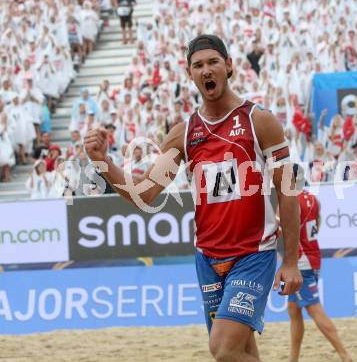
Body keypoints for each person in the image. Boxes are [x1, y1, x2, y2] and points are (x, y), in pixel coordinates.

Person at [84, 34, 303, 362]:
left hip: (253, 254)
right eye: (198, 65)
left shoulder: (260, 121)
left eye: (213, 62)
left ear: (228, 67)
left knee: (223, 350)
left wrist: (290, 261)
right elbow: (145, 192)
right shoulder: (184, 132)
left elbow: (288, 190)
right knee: (242, 353)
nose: (206, 70)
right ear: (189, 74)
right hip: (208, 259)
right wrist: (103, 162)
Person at [287, 165, 352, 362]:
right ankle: (293, 358)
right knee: (293, 309)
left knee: (315, 309)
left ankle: (344, 354)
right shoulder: (313, 199)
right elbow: (318, 224)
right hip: (312, 257)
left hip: (300, 262)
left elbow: (285, 229)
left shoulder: (291, 200)